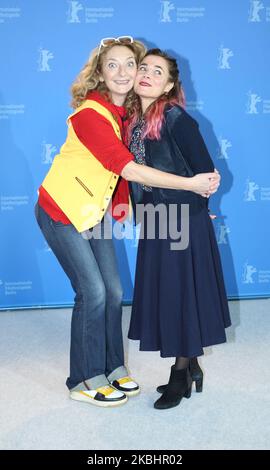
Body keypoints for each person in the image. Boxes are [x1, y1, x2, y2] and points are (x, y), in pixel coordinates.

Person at [35, 37, 221, 408]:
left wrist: (197, 205)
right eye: (112, 65)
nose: (125, 72)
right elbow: (129, 170)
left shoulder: (136, 117)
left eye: (130, 65)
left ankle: (114, 367)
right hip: (64, 211)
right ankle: (85, 378)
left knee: (117, 292)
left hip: (113, 213)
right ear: (100, 74)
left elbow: (190, 168)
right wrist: (192, 187)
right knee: (94, 291)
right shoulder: (93, 114)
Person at [127, 48, 231, 410]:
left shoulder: (175, 118)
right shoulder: (136, 121)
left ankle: (180, 375)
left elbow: (207, 174)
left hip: (180, 221)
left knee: (179, 295)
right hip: (157, 218)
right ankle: (194, 366)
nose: (147, 75)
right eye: (144, 68)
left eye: (158, 72)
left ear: (169, 85)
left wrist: (200, 212)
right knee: (169, 293)